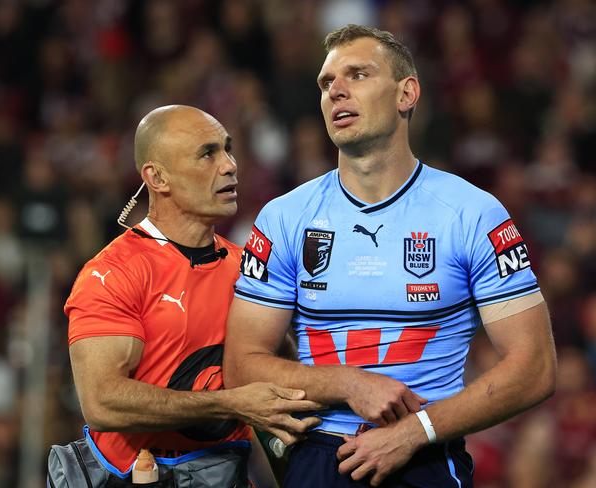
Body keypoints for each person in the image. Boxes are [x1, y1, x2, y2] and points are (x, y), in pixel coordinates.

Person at [223, 25, 556, 487]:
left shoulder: (473, 214)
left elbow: (535, 367)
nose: (336, 91)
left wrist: (414, 432)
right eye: (326, 83)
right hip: (319, 460)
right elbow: (241, 366)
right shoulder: (283, 218)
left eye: (357, 75)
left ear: (407, 94)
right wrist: (348, 384)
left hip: (425, 457)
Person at [63, 105, 322, 487]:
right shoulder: (112, 272)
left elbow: (279, 379)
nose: (230, 165)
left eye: (228, 149)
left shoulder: (247, 269)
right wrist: (229, 403)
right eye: (207, 153)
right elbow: (102, 402)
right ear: (157, 177)